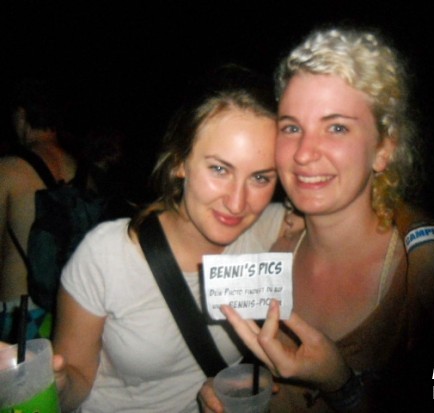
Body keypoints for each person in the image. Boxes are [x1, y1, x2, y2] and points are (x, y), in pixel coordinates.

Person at [200, 27, 434, 412]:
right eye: (292, 127)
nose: (304, 153)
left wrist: (342, 386)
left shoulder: (427, 276)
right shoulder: (275, 246)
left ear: (383, 149)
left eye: (337, 127)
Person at [49, 65, 303, 413]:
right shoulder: (107, 255)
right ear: (180, 162)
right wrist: (55, 386)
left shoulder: (268, 232)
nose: (237, 203)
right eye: (219, 169)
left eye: (260, 178)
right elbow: (75, 381)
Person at [0, 78, 77, 342]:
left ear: (21, 116)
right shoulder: (81, 170)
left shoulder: (9, 169)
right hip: (68, 310)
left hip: (17, 311)